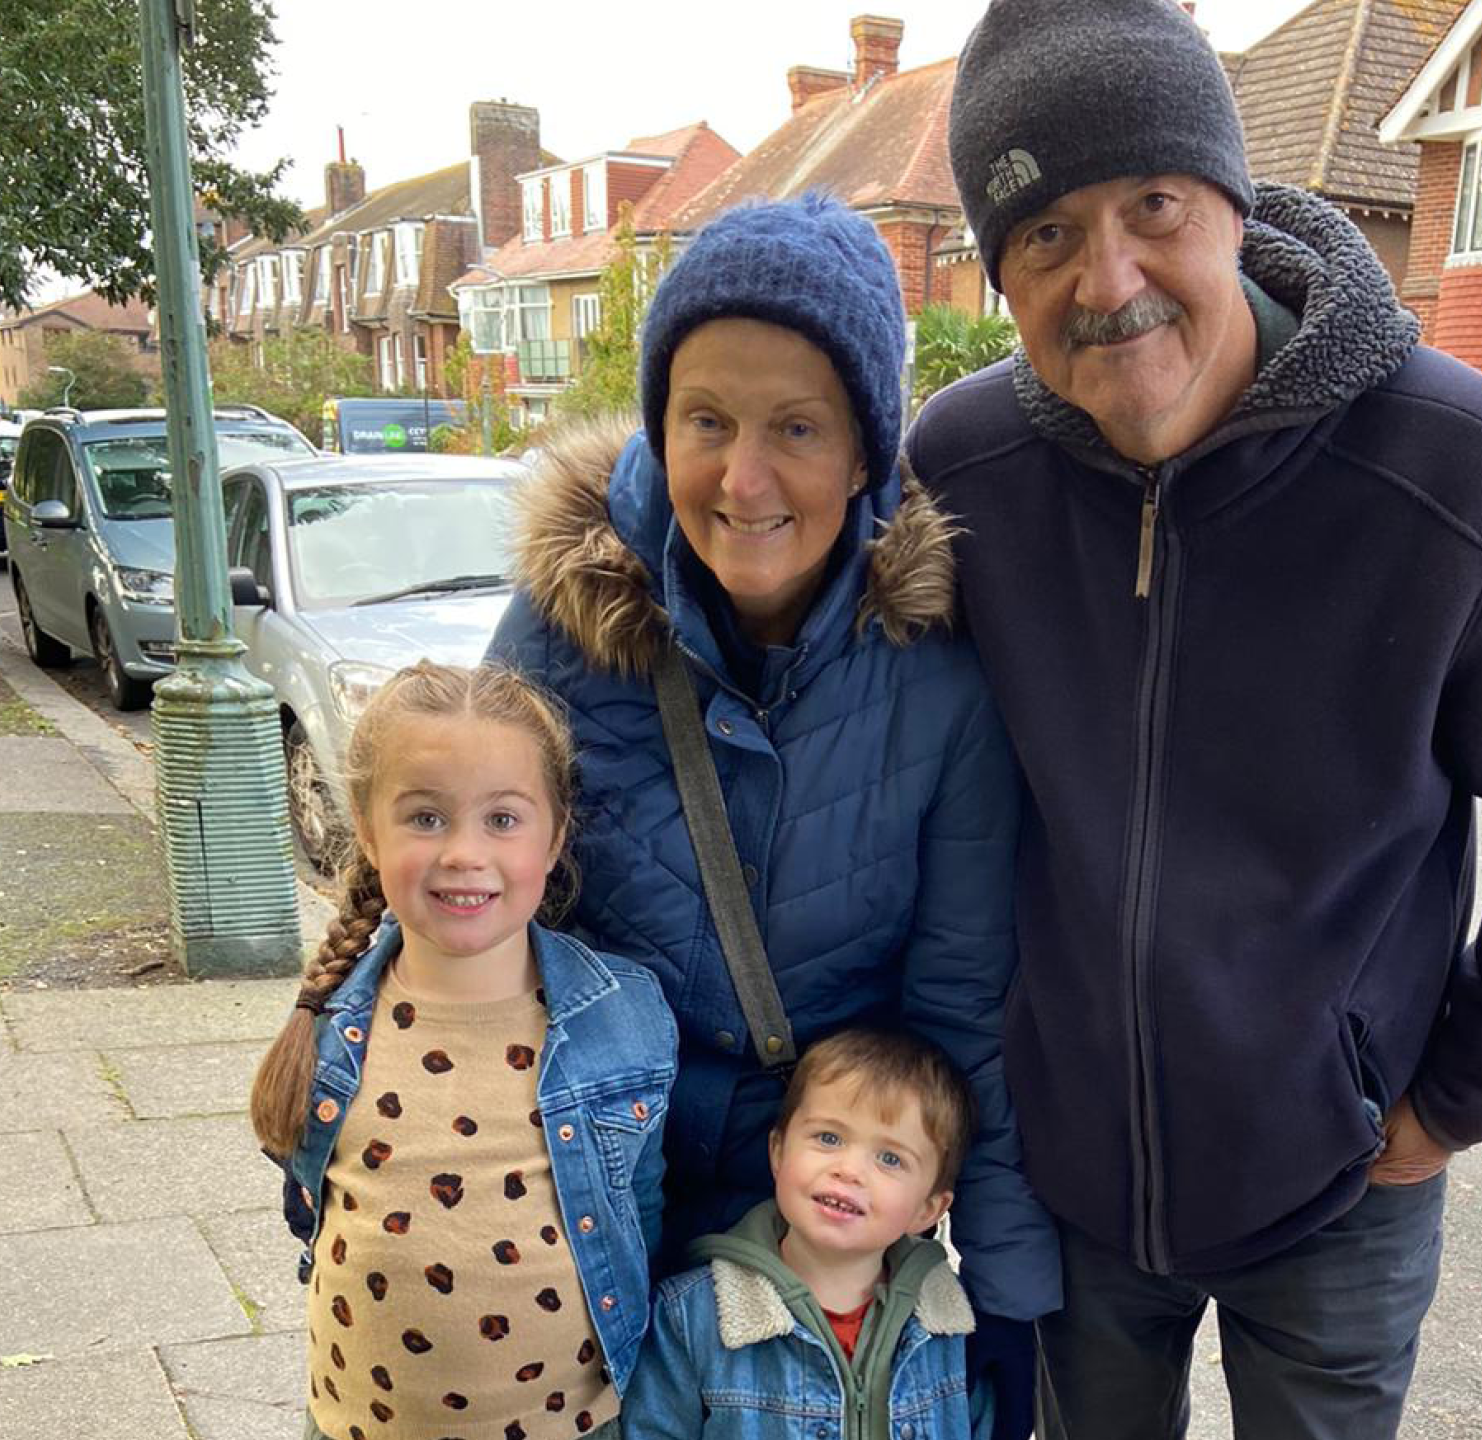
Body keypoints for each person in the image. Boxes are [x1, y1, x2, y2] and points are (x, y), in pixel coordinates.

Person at [907, 1, 1482, 1435]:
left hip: (1336, 1190)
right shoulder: (963, 470)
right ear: (999, 274)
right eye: (1047, 237)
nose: (1109, 276)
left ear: (1233, 208)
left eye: (1152, 206)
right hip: (1063, 1175)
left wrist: (1455, 1097)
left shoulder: (1458, 469)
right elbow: (851, 728)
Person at [487, 193, 1060, 1439]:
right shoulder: (562, 629)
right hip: (589, 1192)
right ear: (659, 425)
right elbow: (462, 900)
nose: (744, 480)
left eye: (797, 427)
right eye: (707, 420)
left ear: (864, 452)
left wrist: (1009, 1296)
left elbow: (966, 1000)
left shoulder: (937, 668)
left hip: (812, 1213)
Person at [249, 661, 678, 1440]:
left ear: (554, 834)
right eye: (426, 817)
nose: (463, 853)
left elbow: (638, 1212)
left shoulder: (622, 1015)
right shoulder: (333, 1019)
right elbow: (309, 1201)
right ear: (367, 825)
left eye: (503, 820)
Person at [629, 1027, 990, 1440]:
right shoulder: (689, 1318)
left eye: (890, 1158)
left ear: (928, 1210)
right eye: (829, 1137)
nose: (849, 1170)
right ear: (778, 1153)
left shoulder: (951, 1326)